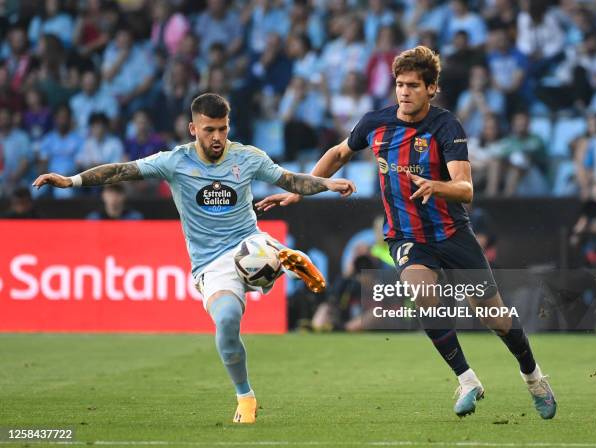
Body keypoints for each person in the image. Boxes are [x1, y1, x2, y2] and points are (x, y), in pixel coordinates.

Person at [257, 46, 557, 419]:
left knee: (493, 317)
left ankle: (534, 377)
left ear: (432, 88)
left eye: (413, 85)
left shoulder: (447, 127)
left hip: (452, 234)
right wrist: (298, 189)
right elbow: (337, 153)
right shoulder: (376, 123)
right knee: (421, 292)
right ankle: (466, 379)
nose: (404, 92)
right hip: (406, 236)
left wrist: (436, 185)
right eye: (399, 84)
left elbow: (466, 189)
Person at [33, 92, 356, 424]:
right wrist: (71, 180)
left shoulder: (247, 157)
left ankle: (284, 256)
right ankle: (245, 395)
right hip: (210, 262)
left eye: (222, 129)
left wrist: (326, 183)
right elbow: (122, 170)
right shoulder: (175, 161)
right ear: (193, 128)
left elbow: (290, 180)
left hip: (247, 241)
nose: (217, 138)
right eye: (209, 130)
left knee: (260, 250)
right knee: (228, 321)